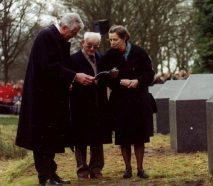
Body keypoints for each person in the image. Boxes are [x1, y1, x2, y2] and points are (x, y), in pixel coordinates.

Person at [15, 13, 95, 186]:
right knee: (42, 139)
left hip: (50, 99)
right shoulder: (47, 36)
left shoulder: (56, 38)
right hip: (41, 100)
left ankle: (52, 174)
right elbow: (47, 66)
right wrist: (74, 76)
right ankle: (45, 177)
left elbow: (58, 66)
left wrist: (68, 81)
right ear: (65, 27)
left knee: (50, 138)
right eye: (73, 33)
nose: (73, 36)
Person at [102, 25, 155, 179]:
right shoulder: (109, 56)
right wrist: (119, 82)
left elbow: (149, 74)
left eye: (115, 40)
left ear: (124, 38)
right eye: (110, 40)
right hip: (120, 101)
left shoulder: (140, 52)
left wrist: (138, 81)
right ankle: (127, 169)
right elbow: (104, 77)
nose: (112, 43)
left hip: (139, 99)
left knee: (140, 136)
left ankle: (140, 169)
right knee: (123, 137)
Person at [69, 32, 112, 180]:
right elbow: (68, 79)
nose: (92, 49)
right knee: (80, 139)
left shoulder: (101, 58)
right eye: (89, 46)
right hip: (80, 104)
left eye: (96, 46)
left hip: (98, 103)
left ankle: (96, 168)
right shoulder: (73, 59)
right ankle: (82, 170)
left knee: (97, 138)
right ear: (82, 43)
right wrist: (76, 81)